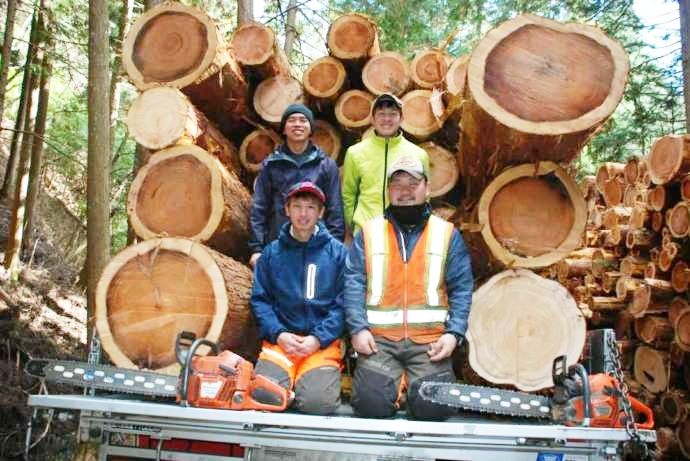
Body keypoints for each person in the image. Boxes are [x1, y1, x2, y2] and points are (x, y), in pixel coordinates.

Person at [343, 155, 474, 420]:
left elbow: (461, 288)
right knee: (370, 406)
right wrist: (357, 329)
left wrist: (453, 334)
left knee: (434, 409)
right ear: (388, 190)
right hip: (379, 342)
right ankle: (397, 388)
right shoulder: (368, 233)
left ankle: (408, 389)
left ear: (426, 188)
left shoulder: (447, 234)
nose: (404, 191)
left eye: (412, 183)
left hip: (430, 343)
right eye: (397, 184)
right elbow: (353, 283)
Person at [250, 181, 347, 415]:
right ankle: (287, 389)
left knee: (318, 403)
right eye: (297, 206)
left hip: (320, 346)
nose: (304, 214)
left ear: (321, 212)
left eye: (311, 207)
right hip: (281, 344)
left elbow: (344, 304)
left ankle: (300, 390)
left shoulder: (338, 254)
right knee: (264, 395)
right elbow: (260, 300)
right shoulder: (271, 254)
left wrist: (318, 338)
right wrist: (279, 334)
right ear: (287, 209)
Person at [249, 104, 344, 268]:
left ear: (310, 129)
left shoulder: (326, 165)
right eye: (292, 120)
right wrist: (257, 248)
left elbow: (335, 209)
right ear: (284, 129)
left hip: (316, 247)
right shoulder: (271, 165)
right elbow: (259, 207)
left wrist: (333, 247)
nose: (298, 124)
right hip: (279, 245)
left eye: (303, 120)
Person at [341, 93, 429, 234]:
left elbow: (425, 196)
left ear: (401, 118)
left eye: (393, 114)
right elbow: (348, 194)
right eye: (381, 114)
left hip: (403, 232)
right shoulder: (355, 153)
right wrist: (354, 225)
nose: (387, 119)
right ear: (372, 119)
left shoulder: (419, 154)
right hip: (366, 232)